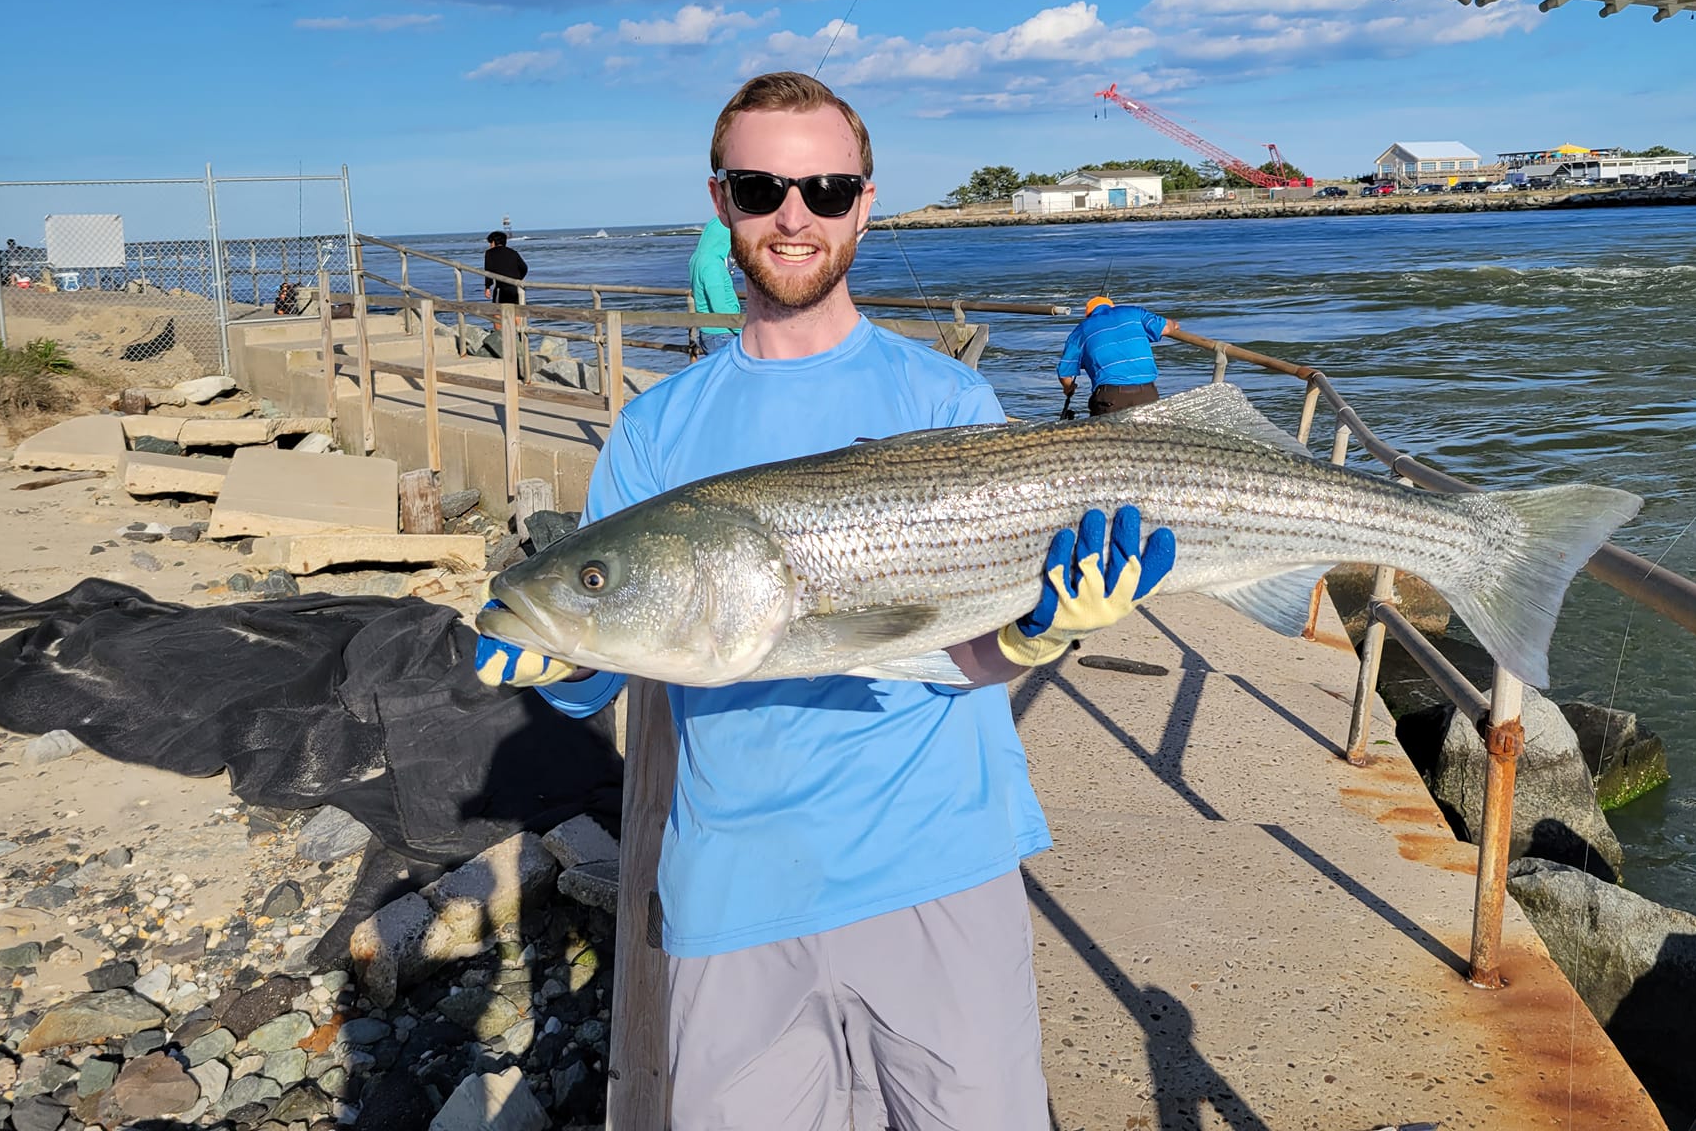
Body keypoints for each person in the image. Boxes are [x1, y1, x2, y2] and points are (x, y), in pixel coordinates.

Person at [470, 71, 1175, 1131]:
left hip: (939, 870)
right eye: (759, 189)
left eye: (826, 189)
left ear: (865, 201)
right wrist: (564, 665)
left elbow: (961, 656)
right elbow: (609, 655)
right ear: (719, 201)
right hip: (730, 892)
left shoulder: (945, 398)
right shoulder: (654, 431)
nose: (792, 215)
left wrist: (1039, 635)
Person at [1057, 294, 1180, 415]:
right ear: (1112, 306)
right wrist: (1172, 323)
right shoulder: (1134, 312)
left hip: (1110, 398)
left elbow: (1064, 373)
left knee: (1109, 435)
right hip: (1148, 394)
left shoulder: (1080, 331)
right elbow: (1168, 328)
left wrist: (1068, 388)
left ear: (1089, 314)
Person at [687, 214, 741, 352]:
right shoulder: (712, 264)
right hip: (721, 333)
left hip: (708, 331)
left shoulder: (697, 258)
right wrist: (741, 328)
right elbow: (719, 305)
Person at [482, 229, 526, 304]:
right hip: (516, 286)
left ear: (493, 242)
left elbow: (488, 271)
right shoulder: (513, 252)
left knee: (498, 311)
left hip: (501, 287)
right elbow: (524, 268)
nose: (490, 245)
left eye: (490, 243)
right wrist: (518, 278)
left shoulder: (490, 253)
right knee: (517, 311)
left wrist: (487, 287)